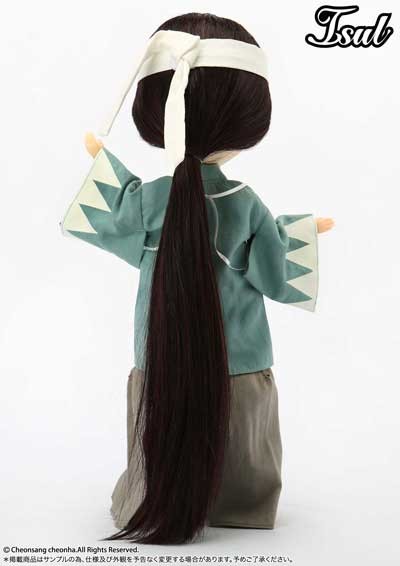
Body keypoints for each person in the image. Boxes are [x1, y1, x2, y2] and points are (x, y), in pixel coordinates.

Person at [60, 12, 334, 545]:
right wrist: (304, 232)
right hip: (240, 357)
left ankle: (151, 496)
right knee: (242, 435)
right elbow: (275, 269)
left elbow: (113, 211)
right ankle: (242, 504)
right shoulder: (243, 204)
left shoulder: (151, 200)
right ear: (246, 122)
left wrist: (102, 165)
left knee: (157, 426)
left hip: (160, 351)